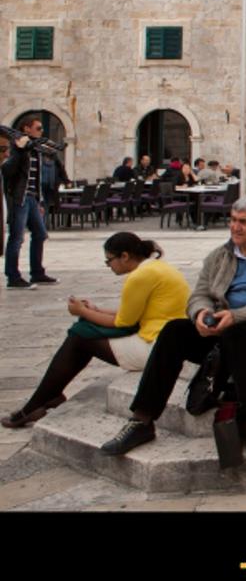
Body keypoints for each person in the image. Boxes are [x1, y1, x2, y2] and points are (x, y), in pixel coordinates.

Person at [99, 196, 246, 457]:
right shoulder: (219, 256)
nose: (235, 227)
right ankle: (142, 419)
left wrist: (236, 316)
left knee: (237, 330)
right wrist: (201, 313)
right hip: (221, 326)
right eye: (232, 220)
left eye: (243, 222)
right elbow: (199, 294)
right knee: (174, 331)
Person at [3, 233, 188, 428]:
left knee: (79, 338)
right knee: (82, 334)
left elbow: (123, 322)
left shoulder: (140, 276)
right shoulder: (155, 267)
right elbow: (133, 314)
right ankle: (48, 396)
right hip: (165, 338)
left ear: (124, 256)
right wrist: (96, 310)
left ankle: (36, 404)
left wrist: (81, 311)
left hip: (156, 347)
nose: (109, 266)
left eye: (109, 261)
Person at [3, 115, 57, 289]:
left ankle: (37, 273)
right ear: (27, 128)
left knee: (40, 234)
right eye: (38, 128)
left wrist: (40, 201)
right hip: (19, 197)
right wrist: (19, 151)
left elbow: (36, 178)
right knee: (17, 237)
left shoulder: (35, 149)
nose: (41, 131)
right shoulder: (16, 146)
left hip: (32, 197)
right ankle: (13, 276)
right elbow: (7, 171)